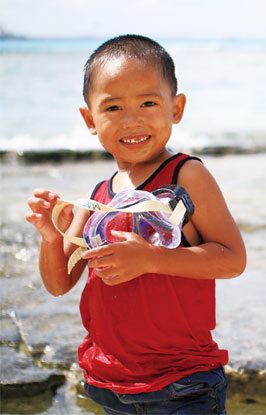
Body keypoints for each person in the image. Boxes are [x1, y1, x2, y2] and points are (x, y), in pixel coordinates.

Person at [26, 34, 246, 415]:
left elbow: (231, 259)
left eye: (148, 102)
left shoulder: (185, 176)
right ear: (89, 119)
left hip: (182, 382)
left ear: (176, 108)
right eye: (113, 107)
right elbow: (59, 282)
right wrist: (49, 236)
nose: (133, 119)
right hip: (110, 381)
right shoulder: (97, 196)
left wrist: (150, 259)